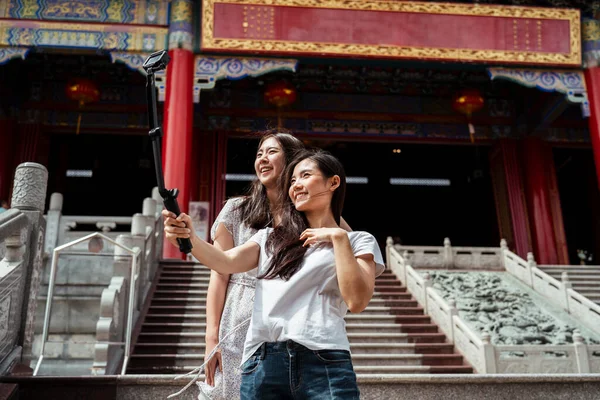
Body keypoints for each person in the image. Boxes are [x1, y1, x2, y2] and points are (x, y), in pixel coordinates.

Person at [164, 150, 384, 399]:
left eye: (305, 175)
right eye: (292, 181)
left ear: (333, 182)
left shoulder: (359, 241)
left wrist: (338, 239)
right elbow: (224, 262)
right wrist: (190, 237)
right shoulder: (270, 238)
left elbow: (357, 300)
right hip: (263, 362)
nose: (296, 185)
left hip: (325, 360)